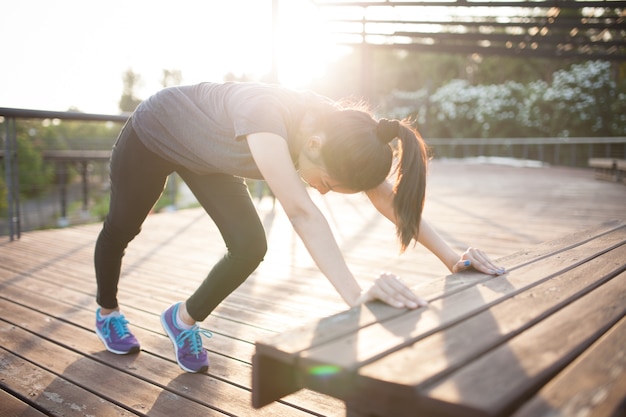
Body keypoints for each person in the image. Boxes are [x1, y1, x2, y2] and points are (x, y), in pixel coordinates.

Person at [94, 81, 505, 373]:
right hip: (156, 133)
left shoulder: (341, 134)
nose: (323, 193)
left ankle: (181, 320)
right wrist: (356, 296)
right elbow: (302, 211)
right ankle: (107, 311)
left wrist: (453, 256)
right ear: (312, 147)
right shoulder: (266, 118)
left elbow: (388, 199)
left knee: (249, 246)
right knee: (122, 228)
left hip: (207, 156)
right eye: (326, 182)